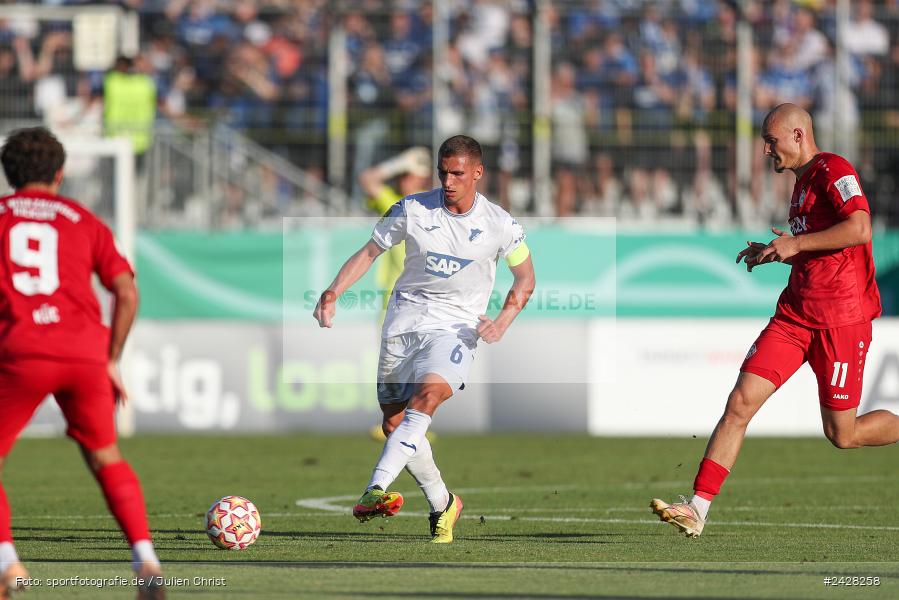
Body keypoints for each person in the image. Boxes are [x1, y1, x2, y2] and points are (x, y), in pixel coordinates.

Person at [650, 104, 897, 538]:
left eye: (771, 140)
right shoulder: (801, 184)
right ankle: (698, 508)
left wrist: (797, 243)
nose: (766, 150)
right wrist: (776, 251)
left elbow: (859, 229)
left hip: (841, 321)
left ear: (799, 135)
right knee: (740, 402)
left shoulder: (833, 168)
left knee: (843, 434)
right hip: (794, 316)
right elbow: (820, 252)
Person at [314, 135, 535, 543]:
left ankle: (375, 488)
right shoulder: (411, 210)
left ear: (477, 173)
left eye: (458, 173)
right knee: (394, 422)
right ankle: (442, 503)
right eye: (444, 172)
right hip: (403, 322)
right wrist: (332, 292)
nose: (449, 181)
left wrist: (504, 320)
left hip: (456, 327)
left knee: (427, 398)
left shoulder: (501, 225)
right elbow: (368, 253)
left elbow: (526, 278)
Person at [0, 128, 164, 598]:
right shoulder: (82, 218)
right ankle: (145, 558)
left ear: (10, 174)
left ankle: (8, 563)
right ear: (59, 172)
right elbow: (127, 292)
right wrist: (112, 358)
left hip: (20, 351)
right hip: (85, 353)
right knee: (105, 455)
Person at [358, 146, 432, 320]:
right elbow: (367, 179)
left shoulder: (430, 204)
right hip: (394, 289)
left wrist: (400, 164)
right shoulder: (395, 202)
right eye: (402, 174)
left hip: (424, 292)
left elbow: (367, 179)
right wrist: (400, 163)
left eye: (409, 174)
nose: (403, 179)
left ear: (423, 178)